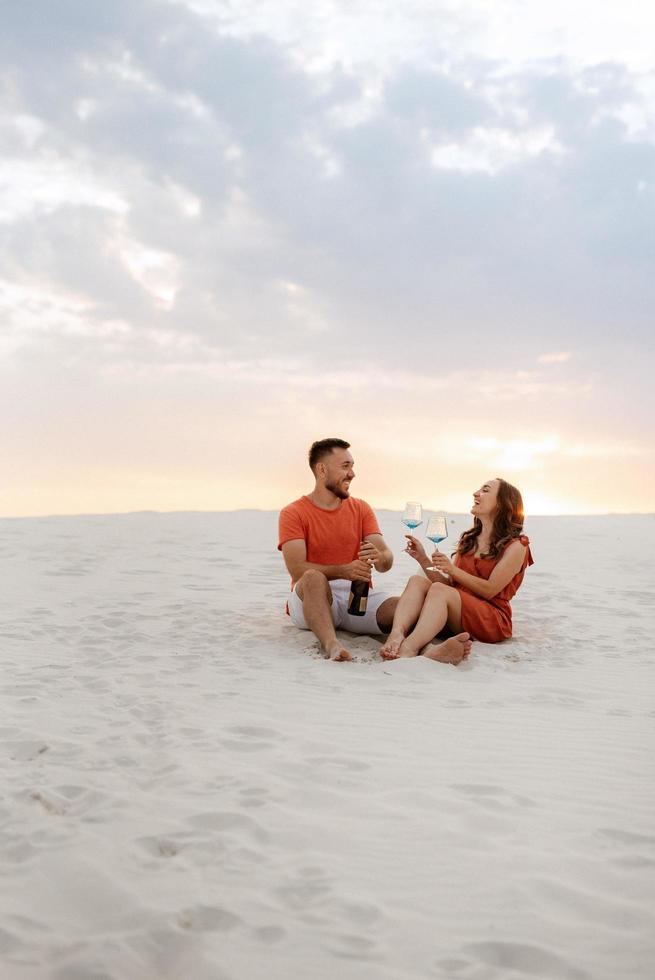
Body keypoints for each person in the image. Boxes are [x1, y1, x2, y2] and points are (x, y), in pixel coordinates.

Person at [379, 478, 533, 664]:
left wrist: (452, 569)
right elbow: (449, 587)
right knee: (417, 581)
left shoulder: (517, 546)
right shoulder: (469, 539)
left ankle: (409, 647)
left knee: (438, 590)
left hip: (491, 618)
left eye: (485, 490)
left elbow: (490, 590)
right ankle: (396, 635)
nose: (476, 493)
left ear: (502, 503)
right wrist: (423, 559)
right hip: (459, 612)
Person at [278, 438, 397, 661]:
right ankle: (332, 644)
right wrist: (344, 570)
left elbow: (386, 559)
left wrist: (379, 556)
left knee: (403, 606)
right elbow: (297, 570)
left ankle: (422, 647)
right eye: (345, 466)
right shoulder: (293, 512)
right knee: (312, 577)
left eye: (352, 466)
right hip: (312, 599)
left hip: (357, 599)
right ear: (322, 469)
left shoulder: (361, 508)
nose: (352, 473)